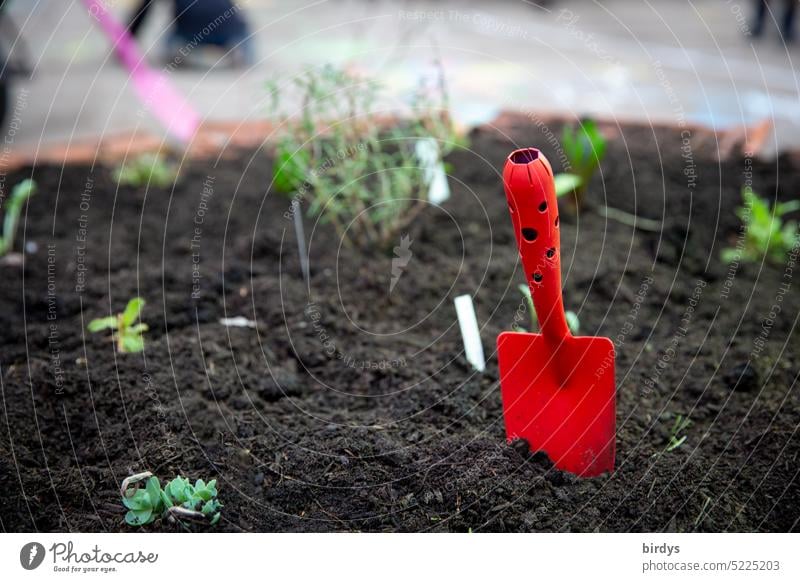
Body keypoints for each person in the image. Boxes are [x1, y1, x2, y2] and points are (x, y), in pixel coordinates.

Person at [128, 0, 254, 67]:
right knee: (242, 29)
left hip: (189, 36)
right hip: (228, 32)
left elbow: (142, 13)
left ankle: (179, 53)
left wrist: (125, 43)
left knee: (168, 41)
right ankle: (241, 53)